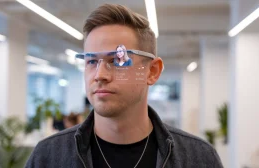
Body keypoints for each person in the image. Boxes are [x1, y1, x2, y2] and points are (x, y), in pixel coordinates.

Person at [26, 4, 223, 168]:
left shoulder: (198, 159)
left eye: (117, 61)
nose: (100, 75)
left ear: (152, 71)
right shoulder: (48, 157)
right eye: (92, 62)